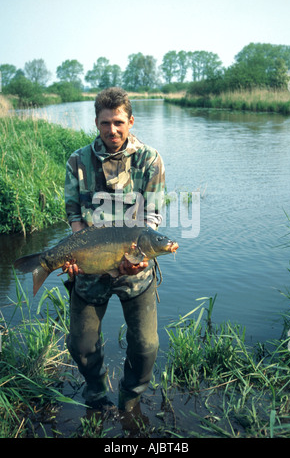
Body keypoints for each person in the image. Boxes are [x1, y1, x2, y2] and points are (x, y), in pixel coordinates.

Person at [64, 87, 165, 413]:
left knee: (147, 346)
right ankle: (97, 397)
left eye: (119, 122)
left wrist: (136, 258)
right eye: (105, 122)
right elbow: (74, 215)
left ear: (131, 120)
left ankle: (130, 399)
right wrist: (78, 253)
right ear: (96, 122)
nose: (113, 130)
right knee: (81, 345)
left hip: (136, 266)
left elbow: (152, 216)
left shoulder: (149, 160)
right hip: (90, 267)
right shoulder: (78, 161)